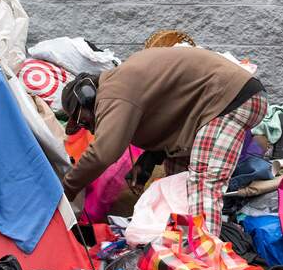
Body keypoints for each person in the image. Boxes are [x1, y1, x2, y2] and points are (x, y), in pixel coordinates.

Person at [60, 46, 266, 235]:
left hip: (228, 99)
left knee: (203, 184)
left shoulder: (112, 92)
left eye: (82, 120)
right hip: (210, 106)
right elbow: (169, 112)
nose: (87, 126)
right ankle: (183, 244)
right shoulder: (121, 88)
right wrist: (149, 159)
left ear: (87, 95)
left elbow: (103, 153)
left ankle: (204, 257)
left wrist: (65, 190)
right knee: (177, 189)